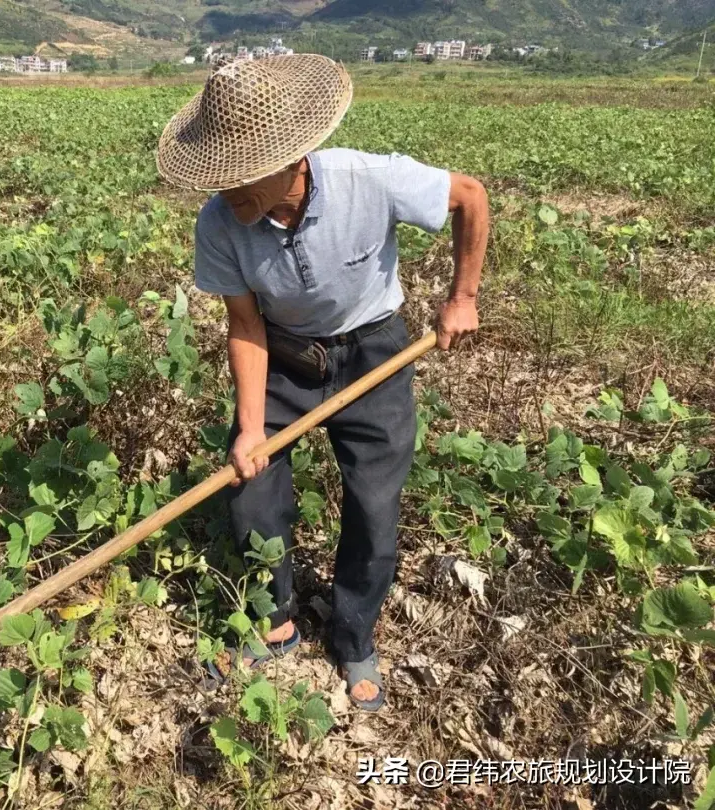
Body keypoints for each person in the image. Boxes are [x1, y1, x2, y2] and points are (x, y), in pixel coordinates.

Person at [155, 54, 489, 710]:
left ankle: (354, 630)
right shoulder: (220, 224)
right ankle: (273, 621)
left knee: (373, 504)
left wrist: (463, 297)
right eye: (220, 180)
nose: (230, 194)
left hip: (375, 354)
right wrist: (253, 428)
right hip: (283, 356)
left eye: (245, 177)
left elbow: (468, 196)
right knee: (251, 488)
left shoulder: (370, 179)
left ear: (294, 159)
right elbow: (245, 324)